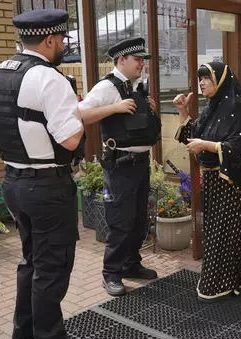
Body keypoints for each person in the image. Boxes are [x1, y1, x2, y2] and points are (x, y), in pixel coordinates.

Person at [0, 9, 94, 339]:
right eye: (63, 40)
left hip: (13, 184)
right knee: (52, 267)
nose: (64, 45)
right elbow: (70, 140)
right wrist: (77, 117)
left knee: (31, 260)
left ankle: (22, 332)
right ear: (50, 40)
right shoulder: (50, 80)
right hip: (48, 187)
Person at [173, 62, 241, 301]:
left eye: (207, 78)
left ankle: (219, 283)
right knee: (226, 230)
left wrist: (207, 146)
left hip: (230, 182)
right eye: (200, 79)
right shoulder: (212, 108)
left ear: (221, 79)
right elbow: (194, 135)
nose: (202, 83)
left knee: (223, 232)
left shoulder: (236, 107)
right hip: (216, 181)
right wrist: (183, 112)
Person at [78, 37, 161, 296]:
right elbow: (79, 113)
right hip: (120, 166)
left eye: (143, 61)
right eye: (138, 60)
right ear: (121, 60)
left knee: (138, 220)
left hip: (140, 164)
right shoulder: (107, 87)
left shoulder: (136, 86)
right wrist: (115, 107)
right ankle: (110, 273)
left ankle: (131, 265)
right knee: (121, 221)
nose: (142, 65)